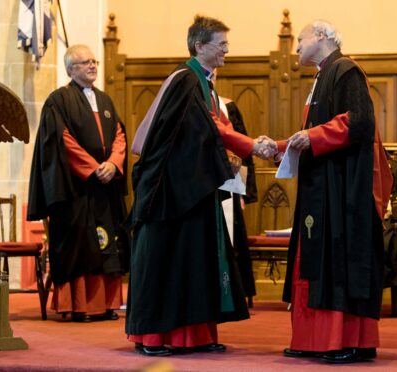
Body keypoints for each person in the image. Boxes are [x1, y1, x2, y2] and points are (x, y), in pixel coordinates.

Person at [125, 15, 276, 357]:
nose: (227, 50)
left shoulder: (203, 82)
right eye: (221, 44)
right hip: (170, 191)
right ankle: (155, 336)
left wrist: (255, 146)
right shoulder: (185, 80)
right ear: (199, 46)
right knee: (168, 260)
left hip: (191, 188)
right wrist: (253, 146)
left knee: (194, 261)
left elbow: (216, 126)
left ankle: (194, 334)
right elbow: (210, 128)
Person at [276, 20, 392, 364]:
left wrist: (311, 137)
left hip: (343, 192)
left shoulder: (346, 71)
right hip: (321, 186)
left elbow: (359, 122)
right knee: (315, 262)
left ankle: (345, 340)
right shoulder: (322, 76)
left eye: (300, 39)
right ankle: (314, 340)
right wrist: (282, 145)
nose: (295, 46)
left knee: (339, 261)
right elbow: (312, 133)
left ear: (322, 37)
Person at [27, 44, 128, 322]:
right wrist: (94, 168)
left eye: (94, 61)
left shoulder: (106, 100)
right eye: (85, 62)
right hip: (74, 190)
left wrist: (114, 164)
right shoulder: (58, 101)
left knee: (108, 246)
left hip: (104, 190)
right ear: (71, 69)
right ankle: (80, 306)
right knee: (81, 248)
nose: (93, 65)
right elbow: (62, 142)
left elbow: (120, 135)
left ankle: (107, 305)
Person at [218, 95, 258, 299]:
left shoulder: (227, 106)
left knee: (232, 238)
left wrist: (241, 190)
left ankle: (235, 290)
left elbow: (242, 152)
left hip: (229, 183)